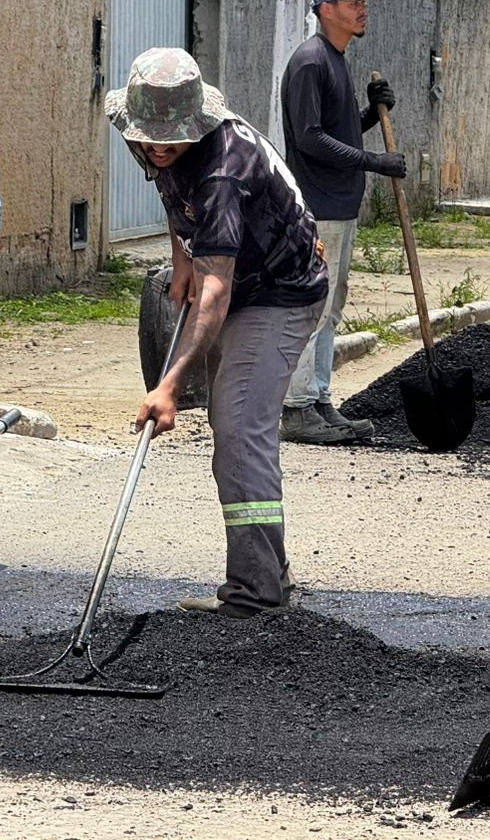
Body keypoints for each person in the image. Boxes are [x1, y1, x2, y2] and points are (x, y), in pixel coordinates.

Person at [109, 47, 328, 618]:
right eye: (146, 137)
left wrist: (170, 386)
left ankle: (256, 592)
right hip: (241, 274)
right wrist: (182, 254)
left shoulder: (223, 168)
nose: (156, 148)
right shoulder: (159, 144)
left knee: (238, 430)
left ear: (196, 124)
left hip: (278, 291)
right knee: (236, 425)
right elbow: (171, 189)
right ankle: (269, 573)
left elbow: (216, 292)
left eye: (169, 138)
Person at [277, 0, 406, 444]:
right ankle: (295, 410)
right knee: (313, 306)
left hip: (340, 204)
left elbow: (338, 130)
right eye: (353, 3)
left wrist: (371, 115)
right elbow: (309, 139)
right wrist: (374, 161)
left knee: (330, 308)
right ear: (326, 9)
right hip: (318, 206)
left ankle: (318, 398)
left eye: (362, 2)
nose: (362, 8)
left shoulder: (335, 58)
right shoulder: (311, 62)